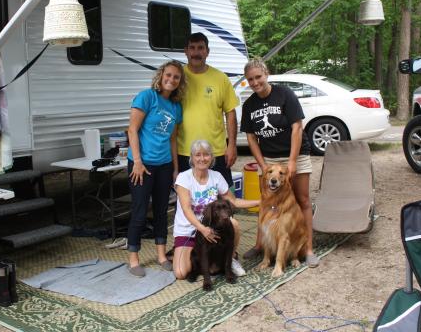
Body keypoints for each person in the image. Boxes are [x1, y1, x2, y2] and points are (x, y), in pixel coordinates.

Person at [240, 58, 319, 267]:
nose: (255, 82)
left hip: (295, 153)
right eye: (250, 79)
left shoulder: (285, 94)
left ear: (266, 74)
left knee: (301, 199)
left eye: (258, 77)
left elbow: (296, 128)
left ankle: (308, 248)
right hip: (269, 159)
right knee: (267, 202)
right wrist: (262, 165)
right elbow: (250, 137)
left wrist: (292, 161)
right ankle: (260, 245)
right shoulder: (249, 105)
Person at [126, 61, 186, 277]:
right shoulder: (146, 97)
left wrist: (175, 168)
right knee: (140, 211)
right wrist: (138, 162)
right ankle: (133, 258)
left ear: (180, 82)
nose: (171, 79)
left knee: (161, 211)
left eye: (176, 77)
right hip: (141, 165)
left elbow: (172, 138)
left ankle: (161, 255)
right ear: (161, 76)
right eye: (168, 75)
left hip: (164, 165)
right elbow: (132, 130)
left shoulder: (176, 107)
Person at [172, 140, 260, 280]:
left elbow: (234, 201)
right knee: (181, 273)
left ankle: (230, 259)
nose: (202, 158)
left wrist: (261, 202)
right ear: (192, 158)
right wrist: (202, 228)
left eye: (206, 155)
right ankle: (187, 254)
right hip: (189, 230)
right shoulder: (184, 178)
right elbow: (186, 209)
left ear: (211, 158)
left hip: (212, 228)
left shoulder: (216, 176)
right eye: (198, 155)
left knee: (233, 223)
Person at [177, 32, 239, 185]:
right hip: (185, 151)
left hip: (216, 152)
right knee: (188, 200)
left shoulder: (221, 78)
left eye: (200, 48)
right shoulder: (177, 77)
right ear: (186, 51)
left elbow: (230, 113)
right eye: (192, 48)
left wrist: (231, 145)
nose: (196, 52)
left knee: (222, 201)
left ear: (207, 51)